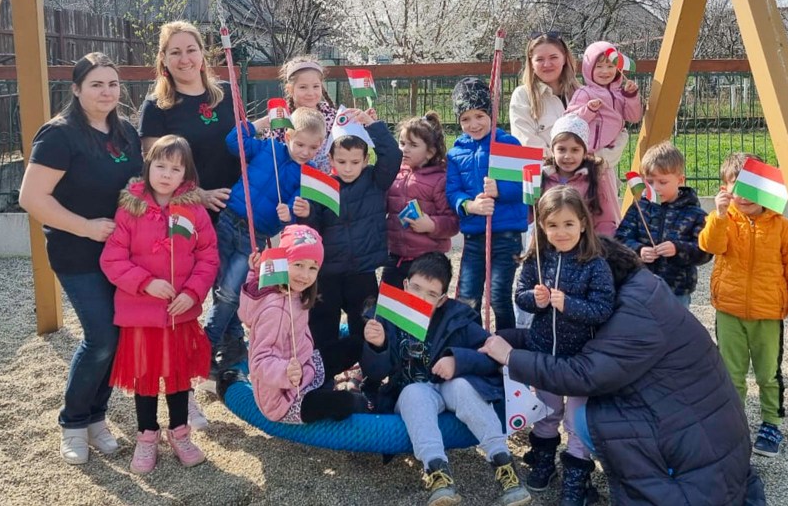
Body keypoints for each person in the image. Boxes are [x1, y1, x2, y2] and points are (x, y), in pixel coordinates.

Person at [479, 237, 758, 505]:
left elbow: (583, 375)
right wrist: (502, 339)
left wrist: (511, 357)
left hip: (692, 463)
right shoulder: (641, 288)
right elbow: (564, 340)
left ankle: (581, 476)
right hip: (708, 433)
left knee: (586, 415)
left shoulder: (634, 315)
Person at [137, 20, 269, 424]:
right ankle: (198, 371)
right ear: (163, 58)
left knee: (235, 290)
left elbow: (245, 143)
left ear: (202, 54)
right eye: (175, 52)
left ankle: (223, 365)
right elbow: (154, 170)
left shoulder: (226, 94)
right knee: (202, 296)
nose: (184, 58)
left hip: (238, 211)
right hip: (190, 215)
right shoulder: (157, 108)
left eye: (191, 49)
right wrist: (199, 194)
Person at [19, 52, 143, 465]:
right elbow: (32, 197)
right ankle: (72, 422)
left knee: (119, 335)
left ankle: (96, 418)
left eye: (113, 84)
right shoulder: (59, 135)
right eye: (96, 85)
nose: (107, 92)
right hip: (78, 252)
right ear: (76, 89)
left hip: (122, 253)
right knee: (101, 337)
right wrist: (85, 227)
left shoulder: (126, 131)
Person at [360, 252, 531, 506]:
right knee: (415, 392)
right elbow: (374, 373)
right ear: (405, 285)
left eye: (431, 294)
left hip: (450, 389)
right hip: (410, 393)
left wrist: (457, 360)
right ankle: (437, 474)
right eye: (416, 288)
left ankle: (503, 463)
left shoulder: (457, 319)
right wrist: (377, 346)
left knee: (461, 386)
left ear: (441, 299)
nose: (421, 298)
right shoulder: (388, 316)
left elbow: (491, 355)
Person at [99, 135, 218, 474]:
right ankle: (146, 436)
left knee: (178, 376)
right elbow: (112, 259)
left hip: (180, 312)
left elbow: (208, 256)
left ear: (186, 174)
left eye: (175, 169)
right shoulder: (130, 208)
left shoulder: (194, 210)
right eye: (161, 166)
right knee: (145, 377)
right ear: (148, 166)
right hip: (141, 313)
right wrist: (146, 282)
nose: (166, 174)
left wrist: (192, 293)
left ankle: (180, 432)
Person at [699, 153, 788, 458]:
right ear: (725, 189)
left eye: (753, 187)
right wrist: (719, 215)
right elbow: (710, 246)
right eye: (737, 187)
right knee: (731, 373)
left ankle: (771, 424)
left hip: (768, 313)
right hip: (729, 310)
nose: (745, 196)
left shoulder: (783, 228)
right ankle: (732, 423)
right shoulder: (722, 220)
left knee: (767, 374)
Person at [514, 186, 614, 504]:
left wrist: (567, 304)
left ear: (582, 224)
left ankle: (576, 477)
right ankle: (544, 462)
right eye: (553, 225)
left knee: (576, 420)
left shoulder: (595, 263)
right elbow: (520, 295)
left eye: (568, 224)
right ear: (542, 227)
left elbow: (602, 309)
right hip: (545, 353)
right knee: (546, 412)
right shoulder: (537, 259)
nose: (561, 232)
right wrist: (536, 299)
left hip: (582, 359)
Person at [204, 108, 322, 373]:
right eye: (300, 144)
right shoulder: (268, 147)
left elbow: (298, 203)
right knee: (220, 285)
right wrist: (263, 122)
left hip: (254, 237)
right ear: (288, 135)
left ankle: (205, 344)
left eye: (313, 148)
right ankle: (231, 343)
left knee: (230, 293)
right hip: (228, 221)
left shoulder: (309, 174)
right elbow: (233, 142)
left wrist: (289, 213)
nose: (305, 152)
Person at [217, 225, 371, 423]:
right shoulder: (275, 311)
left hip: (304, 369)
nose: (305, 275)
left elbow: (252, 304)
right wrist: (285, 371)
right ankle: (368, 407)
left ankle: (369, 382)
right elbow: (259, 362)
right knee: (347, 402)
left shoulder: (293, 292)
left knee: (354, 345)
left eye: (312, 268)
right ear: (283, 263)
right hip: (282, 399)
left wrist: (256, 274)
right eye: (298, 265)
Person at [299, 109, 402, 349]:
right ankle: (324, 369)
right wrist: (306, 214)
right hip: (328, 272)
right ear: (331, 160)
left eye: (355, 162)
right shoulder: (322, 186)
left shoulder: (375, 180)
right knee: (322, 326)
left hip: (362, 271)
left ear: (366, 160)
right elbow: (313, 230)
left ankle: (368, 368)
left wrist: (372, 125)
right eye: (341, 161)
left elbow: (393, 156)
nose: (348, 168)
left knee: (365, 324)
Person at [446, 77, 529, 332]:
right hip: (474, 238)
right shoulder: (455, 153)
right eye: (466, 118)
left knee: (498, 295)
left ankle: (506, 342)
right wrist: (469, 206)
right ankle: (472, 341)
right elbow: (453, 191)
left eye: (480, 115)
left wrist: (500, 190)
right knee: (468, 296)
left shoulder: (508, 143)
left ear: (491, 114)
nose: (473, 124)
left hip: (506, 235)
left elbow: (526, 187)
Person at [615, 142, 711, 307]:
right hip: (641, 286)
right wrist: (639, 250)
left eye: (663, 182)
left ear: (680, 180)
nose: (656, 188)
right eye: (650, 182)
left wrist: (677, 249)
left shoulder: (694, 213)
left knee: (675, 324)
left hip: (677, 291)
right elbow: (619, 240)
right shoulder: (640, 207)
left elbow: (704, 251)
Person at [383, 112, 460, 289]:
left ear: (430, 152)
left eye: (413, 145)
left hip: (427, 259)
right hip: (395, 255)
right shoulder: (395, 174)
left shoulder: (439, 180)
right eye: (402, 143)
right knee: (387, 302)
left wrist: (431, 225)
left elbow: (453, 222)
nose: (404, 149)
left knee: (420, 304)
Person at [565, 40, 643, 172]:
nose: (605, 71)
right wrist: (589, 109)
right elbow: (569, 120)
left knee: (608, 183)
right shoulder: (585, 92)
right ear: (589, 68)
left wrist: (631, 96)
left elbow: (634, 117)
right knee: (588, 183)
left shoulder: (620, 94)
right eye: (599, 66)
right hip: (588, 154)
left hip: (610, 155)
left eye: (610, 66)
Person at [540, 113, 621, 236]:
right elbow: (532, 216)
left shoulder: (595, 177)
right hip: (550, 241)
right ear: (552, 151)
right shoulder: (542, 177)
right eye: (561, 149)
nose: (567, 156)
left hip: (585, 244)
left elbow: (605, 220)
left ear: (584, 152)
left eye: (575, 150)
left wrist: (605, 244)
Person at [509, 32, 581, 153]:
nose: (547, 64)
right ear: (531, 63)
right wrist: (564, 159)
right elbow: (526, 142)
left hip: (587, 164)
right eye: (540, 59)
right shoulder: (523, 96)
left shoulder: (582, 94)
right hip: (543, 165)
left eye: (553, 57)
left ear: (564, 58)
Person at [270, 55, 337, 174]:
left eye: (316, 86)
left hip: (326, 179)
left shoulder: (331, 116)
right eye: (303, 87)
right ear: (290, 89)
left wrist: (363, 122)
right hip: (289, 178)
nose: (310, 93)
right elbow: (270, 152)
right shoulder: (282, 118)